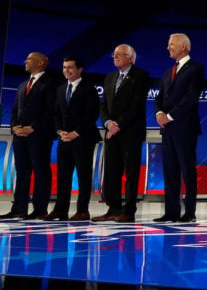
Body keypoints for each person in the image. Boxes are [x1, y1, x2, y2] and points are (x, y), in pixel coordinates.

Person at [92, 44, 149, 223]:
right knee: (111, 171)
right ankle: (113, 208)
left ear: (131, 58)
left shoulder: (140, 76)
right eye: (114, 54)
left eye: (120, 54)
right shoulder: (109, 77)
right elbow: (104, 105)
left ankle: (129, 210)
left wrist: (119, 124)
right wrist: (108, 123)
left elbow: (136, 104)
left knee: (131, 172)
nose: (115, 57)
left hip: (131, 131)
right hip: (112, 133)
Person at [154, 33, 205, 223]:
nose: (168, 47)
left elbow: (191, 97)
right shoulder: (168, 71)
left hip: (185, 128)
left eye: (171, 44)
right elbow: (160, 97)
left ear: (183, 46)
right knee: (170, 171)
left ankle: (189, 212)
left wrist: (169, 116)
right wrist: (159, 114)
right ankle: (171, 212)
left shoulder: (196, 68)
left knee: (187, 170)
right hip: (168, 129)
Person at [43, 56, 101, 221]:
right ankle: (60, 210)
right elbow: (56, 114)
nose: (66, 70)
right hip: (64, 139)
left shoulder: (89, 88)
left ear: (79, 69)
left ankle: (82, 210)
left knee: (83, 175)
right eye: (64, 67)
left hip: (83, 139)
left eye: (70, 67)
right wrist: (60, 131)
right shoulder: (61, 89)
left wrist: (76, 132)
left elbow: (91, 114)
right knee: (63, 175)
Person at [0, 52, 56, 220]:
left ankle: (40, 209)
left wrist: (34, 127)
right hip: (20, 136)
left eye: (29, 59)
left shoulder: (50, 84)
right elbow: (16, 110)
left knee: (40, 171)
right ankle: (19, 208)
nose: (25, 61)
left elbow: (51, 111)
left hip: (39, 135)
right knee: (22, 171)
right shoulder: (23, 84)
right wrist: (14, 127)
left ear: (40, 63)